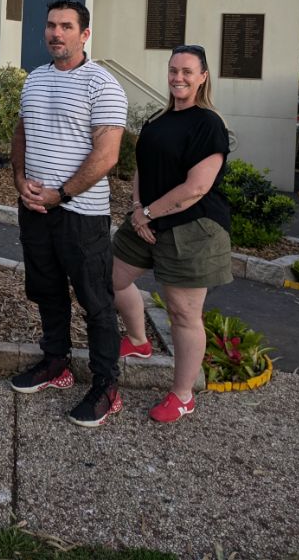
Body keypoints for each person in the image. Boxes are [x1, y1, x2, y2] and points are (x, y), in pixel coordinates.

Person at [10, 0, 127, 428]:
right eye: (50, 25)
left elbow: (107, 154)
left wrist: (61, 193)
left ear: (84, 34)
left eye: (66, 26)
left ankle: (106, 387)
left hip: (82, 216)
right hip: (36, 210)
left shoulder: (103, 85)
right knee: (47, 291)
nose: (56, 33)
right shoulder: (35, 80)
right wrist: (20, 179)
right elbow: (22, 131)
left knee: (96, 302)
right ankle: (56, 364)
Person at [112, 44, 232, 423]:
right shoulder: (157, 121)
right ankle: (137, 339)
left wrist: (147, 213)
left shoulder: (207, 123)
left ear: (203, 77)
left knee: (183, 314)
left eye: (187, 71)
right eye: (173, 70)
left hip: (191, 228)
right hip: (145, 220)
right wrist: (137, 210)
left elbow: (196, 187)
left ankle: (182, 395)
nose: (178, 77)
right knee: (109, 279)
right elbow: (141, 170)